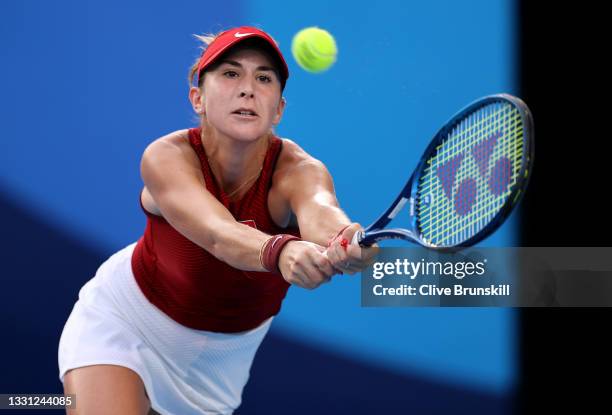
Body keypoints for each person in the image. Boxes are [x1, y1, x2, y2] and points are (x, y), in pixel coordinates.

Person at [58, 26, 378, 414]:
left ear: (278, 109)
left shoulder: (299, 170)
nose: (248, 89)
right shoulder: (166, 157)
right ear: (198, 98)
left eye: (263, 78)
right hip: (128, 320)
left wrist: (345, 242)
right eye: (230, 74)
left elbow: (322, 211)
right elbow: (216, 234)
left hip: (220, 362)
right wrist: (281, 250)